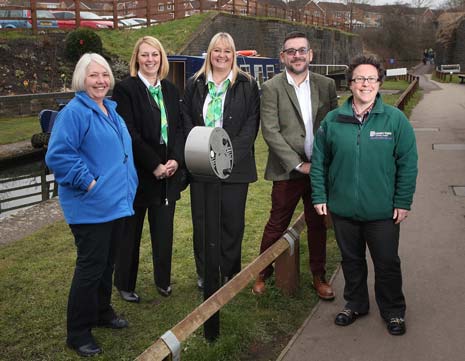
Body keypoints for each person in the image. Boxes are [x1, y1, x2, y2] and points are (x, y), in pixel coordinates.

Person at [311, 55, 418, 336]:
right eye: (359, 78)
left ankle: (393, 311)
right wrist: (320, 196)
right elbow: (320, 162)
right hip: (343, 210)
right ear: (351, 83)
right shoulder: (333, 120)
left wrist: (402, 202)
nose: (365, 83)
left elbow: (408, 163)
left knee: (387, 263)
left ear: (379, 83)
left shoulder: (395, 120)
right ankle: (356, 303)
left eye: (371, 78)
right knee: (351, 261)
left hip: (382, 211)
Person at [45, 53, 138, 357]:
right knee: (90, 267)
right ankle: (78, 331)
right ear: (81, 80)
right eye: (93, 75)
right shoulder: (74, 113)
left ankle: (102, 311)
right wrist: (89, 182)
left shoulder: (110, 109)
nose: (100, 81)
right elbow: (58, 156)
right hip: (91, 207)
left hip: (115, 204)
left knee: (106, 264)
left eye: (105, 75)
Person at [252, 31, 338, 300]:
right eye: (291, 51)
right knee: (277, 223)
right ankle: (261, 272)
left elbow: (333, 126)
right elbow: (270, 131)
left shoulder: (326, 85)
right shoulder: (271, 87)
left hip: (319, 169)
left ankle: (318, 276)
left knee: (317, 224)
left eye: (302, 50)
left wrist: (324, 164)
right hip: (287, 170)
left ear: (310, 54)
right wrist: (298, 165)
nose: (297, 55)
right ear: (282, 57)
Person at [181, 32, 260, 288]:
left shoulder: (247, 84)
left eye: (227, 51)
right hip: (202, 164)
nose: (222, 55)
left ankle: (229, 271)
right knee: (203, 222)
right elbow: (187, 119)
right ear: (209, 53)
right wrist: (202, 154)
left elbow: (250, 125)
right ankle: (206, 272)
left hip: (234, 166)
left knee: (231, 221)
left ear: (234, 54)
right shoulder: (195, 83)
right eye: (217, 50)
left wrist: (226, 158)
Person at [112, 36, 184, 302]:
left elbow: (179, 129)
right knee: (130, 232)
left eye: (155, 54)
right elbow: (129, 132)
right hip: (138, 175)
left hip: (169, 174)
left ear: (161, 58)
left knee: (164, 231)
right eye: (145, 55)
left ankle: (163, 281)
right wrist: (154, 164)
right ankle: (124, 283)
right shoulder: (125, 90)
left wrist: (175, 159)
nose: (150, 60)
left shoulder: (171, 90)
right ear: (136, 59)